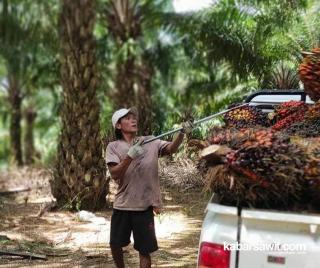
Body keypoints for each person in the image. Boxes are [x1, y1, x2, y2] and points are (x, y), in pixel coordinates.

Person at [106, 107, 192, 268]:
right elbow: (115, 173)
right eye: (128, 118)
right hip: (123, 205)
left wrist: (181, 133)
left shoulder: (151, 141)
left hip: (144, 206)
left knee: (144, 250)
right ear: (118, 126)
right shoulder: (113, 147)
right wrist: (129, 156)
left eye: (134, 117)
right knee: (115, 244)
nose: (133, 120)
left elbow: (171, 149)